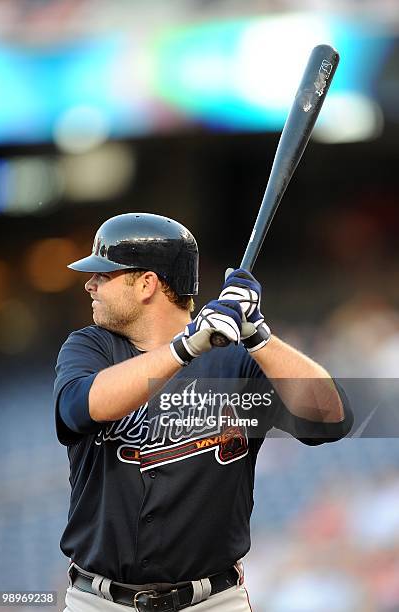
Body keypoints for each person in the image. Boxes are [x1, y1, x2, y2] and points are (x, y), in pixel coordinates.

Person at [54, 212, 353, 612]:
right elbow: (79, 408)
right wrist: (185, 347)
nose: (90, 284)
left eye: (103, 275)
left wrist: (258, 336)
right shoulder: (89, 347)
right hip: (100, 601)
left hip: (212, 601)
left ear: (147, 283)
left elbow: (330, 421)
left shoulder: (237, 362)